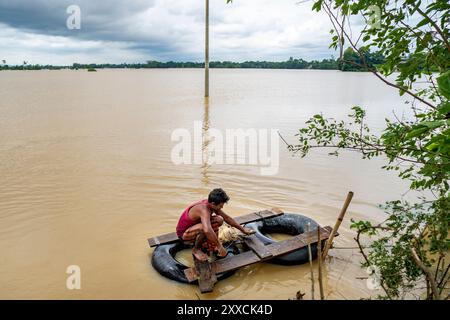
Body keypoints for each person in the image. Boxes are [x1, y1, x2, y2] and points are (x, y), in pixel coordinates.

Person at [176, 188, 254, 261]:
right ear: (213, 204)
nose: (222, 207)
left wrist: (242, 229)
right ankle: (196, 249)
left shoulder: (211, 205)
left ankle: (209, 244)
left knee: (219, 220)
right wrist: (219, 246)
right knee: (205, 228)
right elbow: (207, 230)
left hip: (194, 228)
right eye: (220, 205)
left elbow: (227, 218)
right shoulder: (204, 209)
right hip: (184, 235)